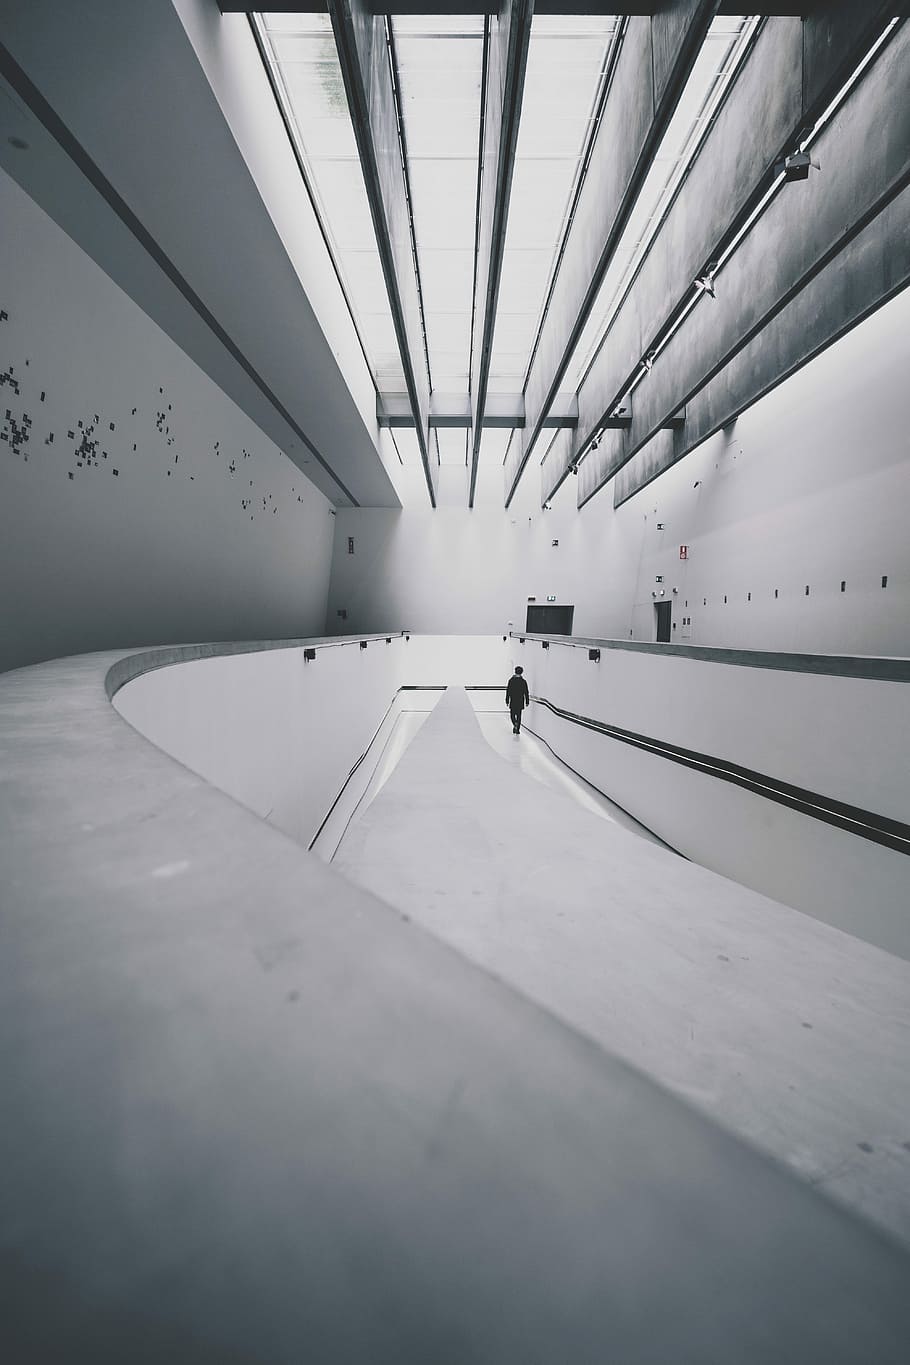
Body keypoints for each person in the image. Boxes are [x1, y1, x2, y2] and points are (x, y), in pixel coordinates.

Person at [505, 665, 530, 735]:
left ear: (515, 671)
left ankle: (515, 724)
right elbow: (526, 692)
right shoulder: (523, 681)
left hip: (513, 700)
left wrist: (507, 700)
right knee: (519, 715)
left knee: (512, 715)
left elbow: (508, 691)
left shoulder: (511, 680)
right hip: (520, 701)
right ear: (521, 672)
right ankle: (517, 729)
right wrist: (527, 701)